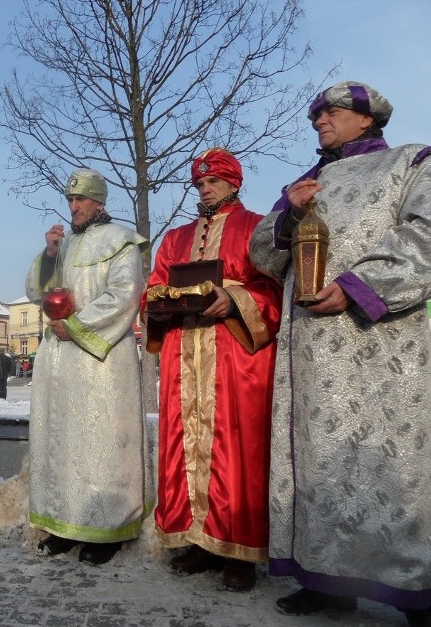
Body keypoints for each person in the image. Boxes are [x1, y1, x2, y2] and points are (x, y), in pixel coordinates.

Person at [249, 82, 431, 626]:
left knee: (395, 464)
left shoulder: (414, 163)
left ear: (367, 119)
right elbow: (263, 254)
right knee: (319, 466)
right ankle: (326, 580)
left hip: (383, 348)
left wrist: (362, 286)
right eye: (315, 115)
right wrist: (288, 215)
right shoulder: (302, 184)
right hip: (310, 357)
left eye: (331, 112)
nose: (319, 121)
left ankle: (421, 588)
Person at [142, 149, 282, 592]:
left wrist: (236, 299)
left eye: (214, 182)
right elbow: (153, 289)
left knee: (235, 447)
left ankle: (239, 548)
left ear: (233, 184)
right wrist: (161, 301)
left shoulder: (257, 227)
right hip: (185, 353)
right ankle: (197, 541)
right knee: (186, 444)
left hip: (235, 358)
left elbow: (274, 289)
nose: (205, 189)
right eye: (200, 184)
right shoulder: (176, 238)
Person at [25, 167, 152, 566]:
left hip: (101, 360)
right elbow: (36, 291)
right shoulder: (61, 247)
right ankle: (65, 524)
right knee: (63, 443)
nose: (73, 206)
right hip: (60, 362)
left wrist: (76, 326)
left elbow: (125, 295)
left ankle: (109, 527)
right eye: (69, 199)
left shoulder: (121, 240)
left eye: (80, 199)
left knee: (101, 441)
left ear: (99, 201)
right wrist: (48, 254)